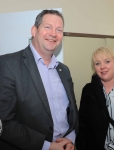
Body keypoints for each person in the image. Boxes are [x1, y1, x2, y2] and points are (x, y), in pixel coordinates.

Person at [0, 9, 78, 150]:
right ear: (34, 30)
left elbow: (72, 113)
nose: (53, 33)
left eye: (59, 29)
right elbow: (5, 122)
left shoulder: (64, 70)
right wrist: (47, 146)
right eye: (47, 27)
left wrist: (70, 139)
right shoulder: (8, 64)